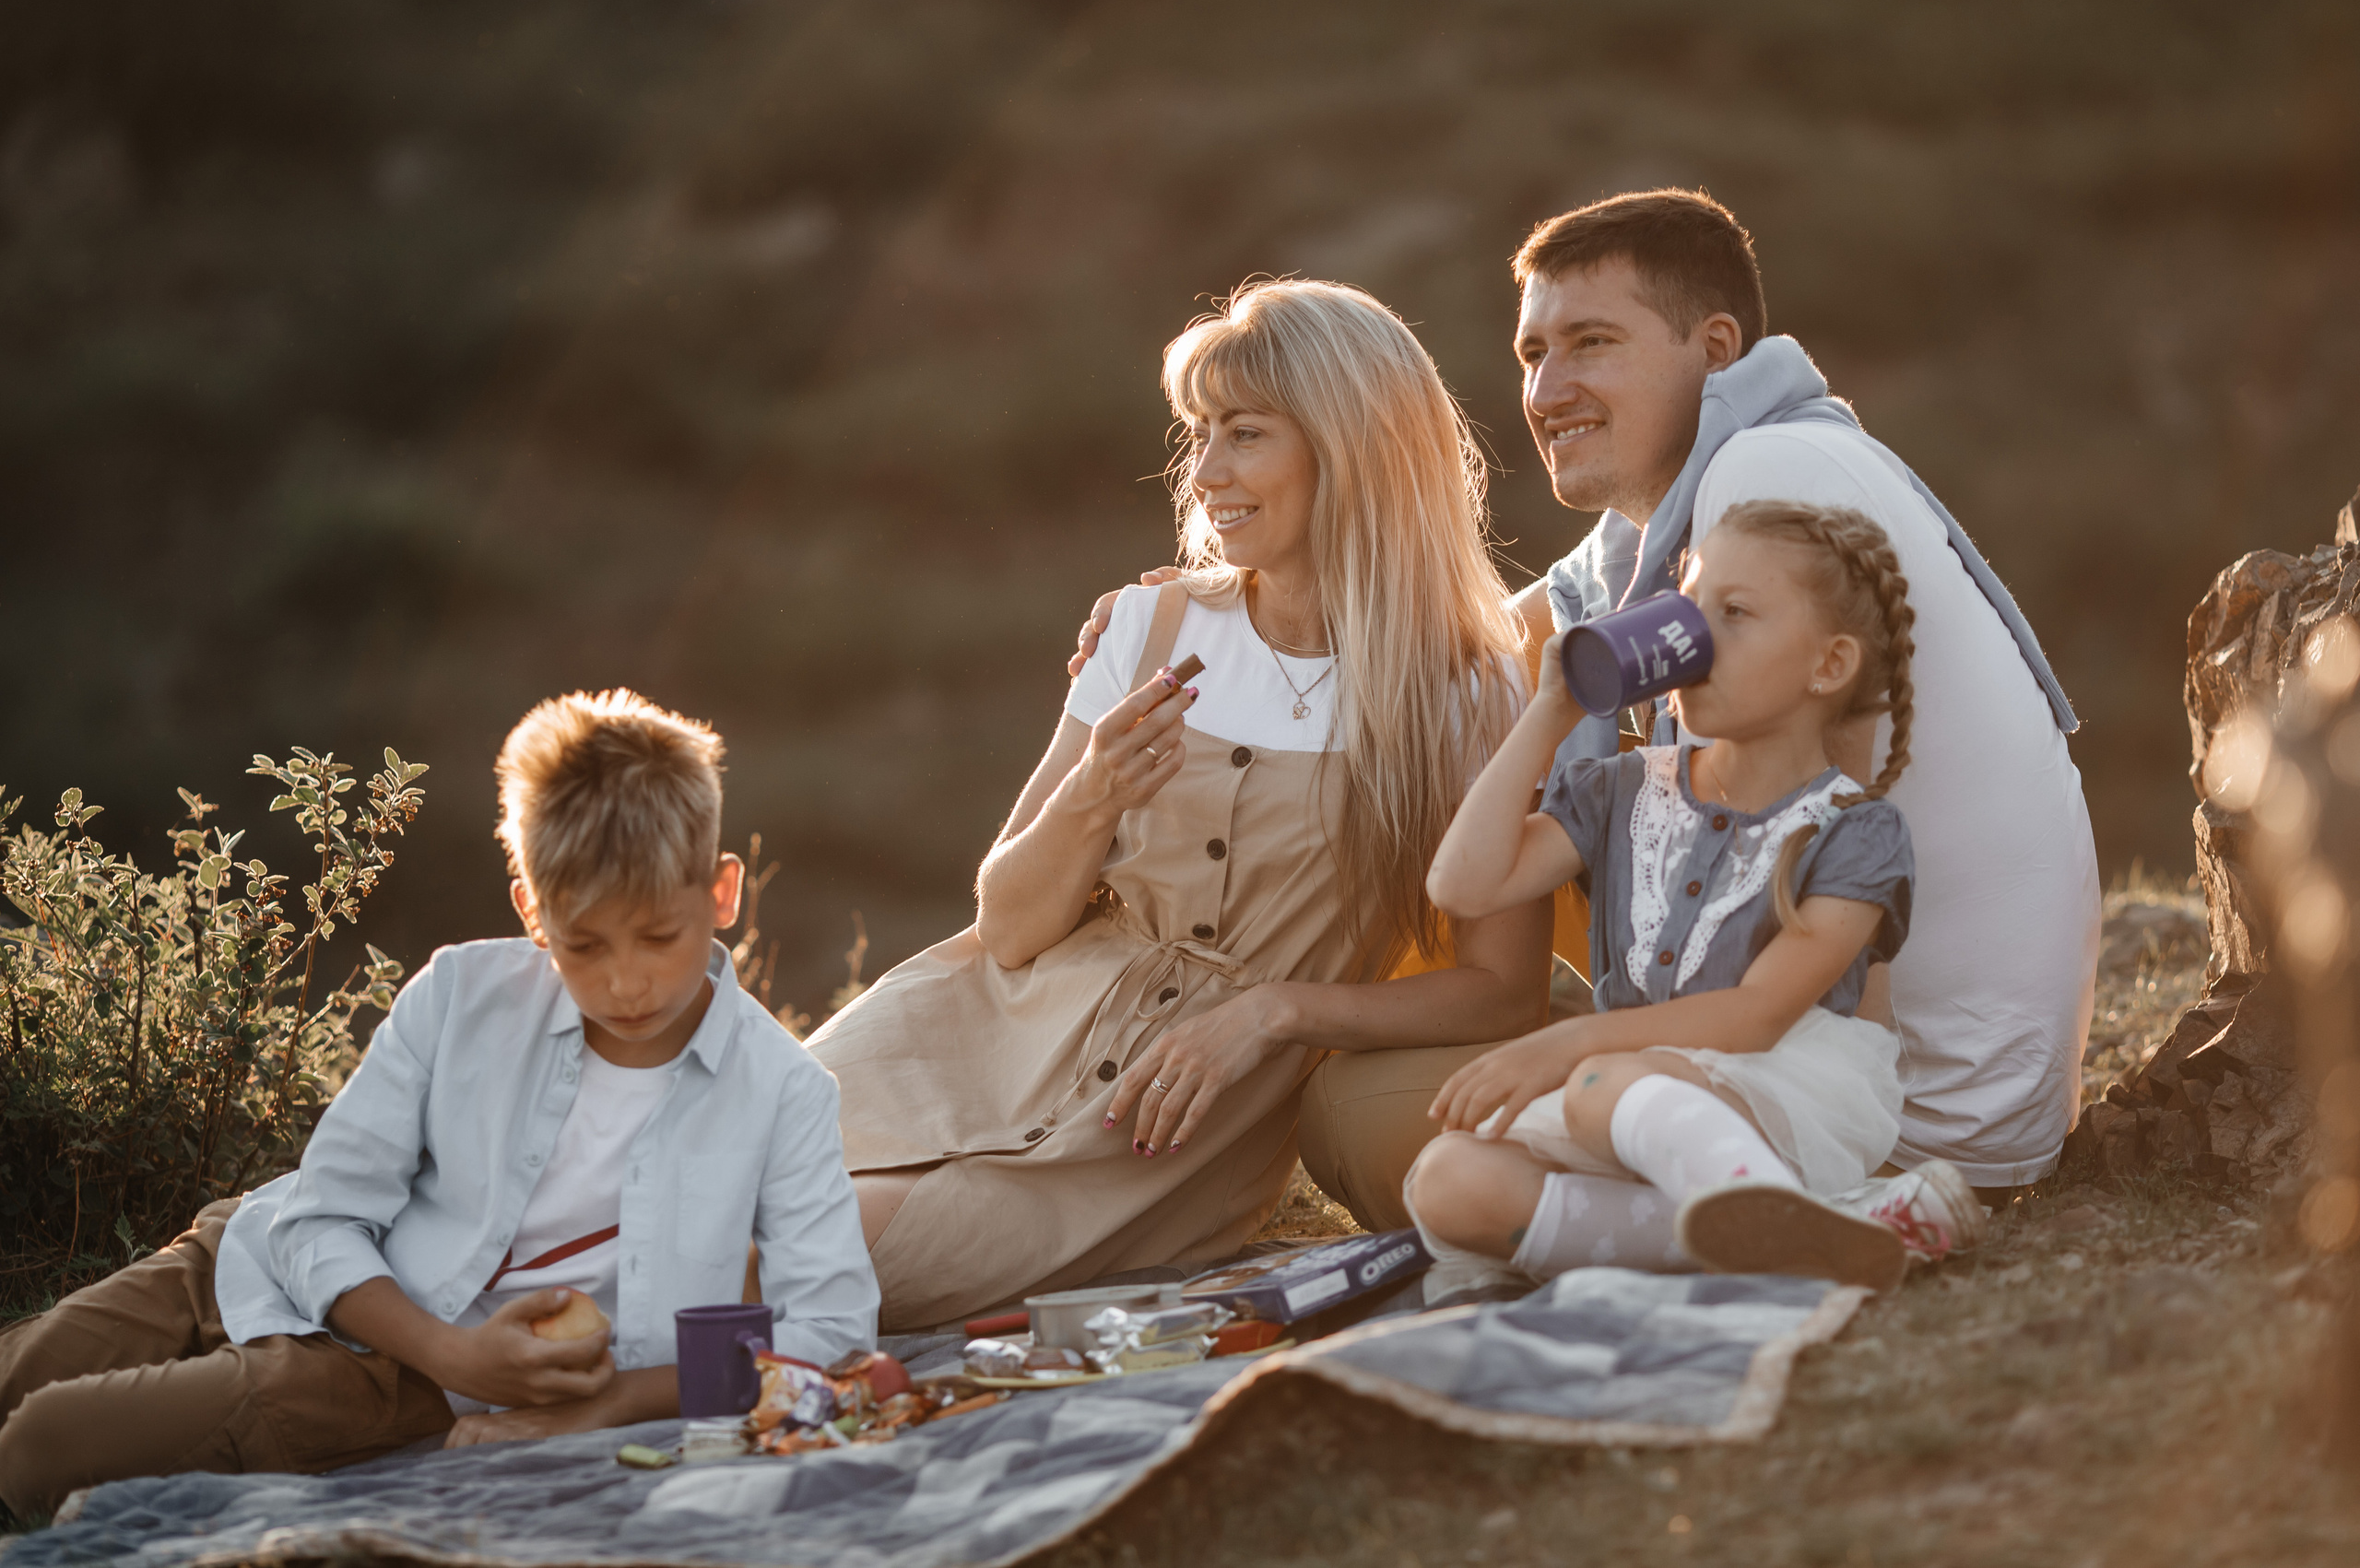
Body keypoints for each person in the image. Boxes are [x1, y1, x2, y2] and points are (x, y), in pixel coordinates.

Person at [1075, 190, 2099, 1207]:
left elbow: (1757, 803)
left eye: (1591, 342)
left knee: (1364, 1115)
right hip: (1865, 1070)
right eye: (1531, 355)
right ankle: (1647, 1212)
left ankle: (1740, 1210)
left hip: (1890, 1095)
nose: (1548, 387)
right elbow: (1469, 652)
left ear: (1715, 348)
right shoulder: (1671, 530)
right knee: (1459, 802)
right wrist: (1219, 611)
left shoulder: (1769, 474)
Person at [807, 279, 1552, 1332]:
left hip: (1151, 1133)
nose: (1204, 474)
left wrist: (1277, 1012)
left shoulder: (1465, 697)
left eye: (1243, 435)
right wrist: (1088, 799)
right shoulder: (1150, 628)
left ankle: (564, 1402)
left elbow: (1499, 992)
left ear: (1354, 446)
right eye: (1199, 434)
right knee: (673, 1187)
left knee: (789, 1256)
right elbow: (1009, 926)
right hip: (974, 1034)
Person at [0, 690, 876, 1518]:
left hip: (377, 1376)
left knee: (35, 1446)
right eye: (583, 944)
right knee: (16, 1373)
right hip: (248, 1251)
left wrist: (605, 1402)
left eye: (659, 935)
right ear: (533, 910)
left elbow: (832, 1335)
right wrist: (456, 1349)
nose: (624, 979)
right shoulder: (461, 992)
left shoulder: (784, 1091)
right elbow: (319, 1214)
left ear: (721, 893)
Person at [1409, 501, 1984, 1297]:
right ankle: (1801, 1233)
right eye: (1689, 606)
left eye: (1735, 613)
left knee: (1602, 1082)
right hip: (1618, 1101)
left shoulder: (1855, 831)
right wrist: (1550, 710)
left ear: (1828, 665)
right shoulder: (1620, 792)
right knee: (1447, 1178)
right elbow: (1461, 886)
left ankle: (1762, 1206)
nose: (1698, 637)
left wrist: (1567, 1046)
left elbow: (1756, 1017)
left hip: (1770, 1089)